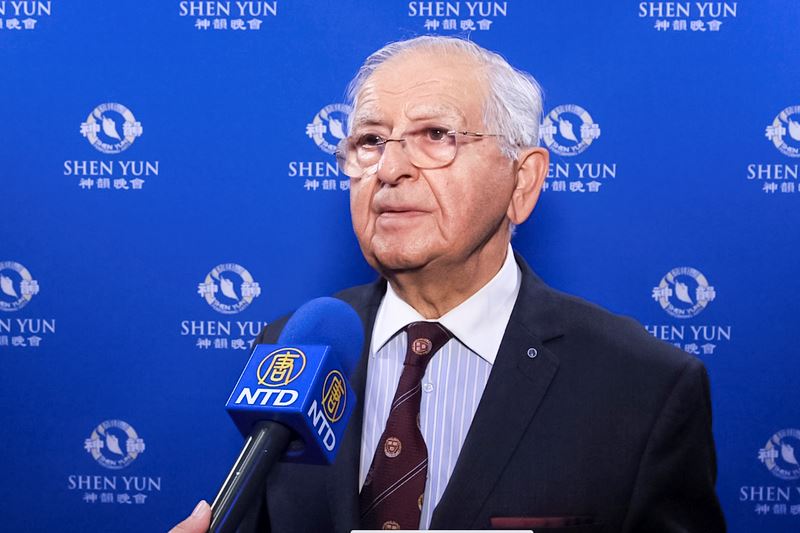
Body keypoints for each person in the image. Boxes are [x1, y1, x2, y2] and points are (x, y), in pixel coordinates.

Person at [172, 36, 725, 532]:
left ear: (522, 181)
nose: (390, 169)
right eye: (371, 140)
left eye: (435, 135)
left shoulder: (645, 386)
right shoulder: (292, 350)